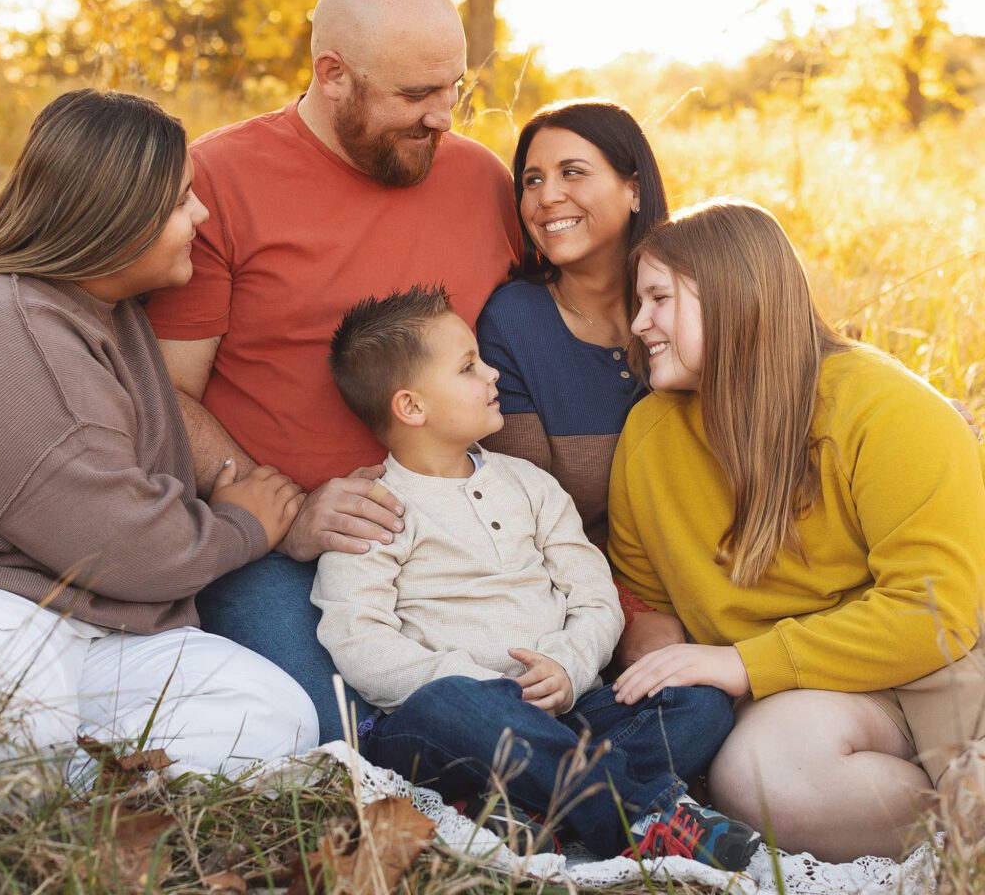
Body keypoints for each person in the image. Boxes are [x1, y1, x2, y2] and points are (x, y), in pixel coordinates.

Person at [145, 0, 519, 741]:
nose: (443, 116)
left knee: (526, 705)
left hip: (455, 538)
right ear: (333, 74)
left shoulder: (482, 181)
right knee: (333, 740)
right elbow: (163, 393)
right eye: (415, 95)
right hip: (280, 551)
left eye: (455, 88)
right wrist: (287, 515)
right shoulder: (218, 179)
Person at [310, 284, 761, 869]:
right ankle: (647, 814)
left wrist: (571, 667)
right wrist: (482, 687)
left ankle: (522, 811)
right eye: (470, 366)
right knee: (453, 704)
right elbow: (358, 640)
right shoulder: (372, 508)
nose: (494, 373)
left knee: (697, 701)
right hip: (452, 727)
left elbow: (595, 595)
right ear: (411, 407)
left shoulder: (529, 484)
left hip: (563, 706)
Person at [607, 197, 985, 862]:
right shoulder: (649, 438)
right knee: (760, 777)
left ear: (731, 295)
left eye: (659, 298)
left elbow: (936, 616)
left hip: (945, 661)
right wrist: (658, 662)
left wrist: (739, 663)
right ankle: (956, 829)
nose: (639, 325)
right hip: (809, 692)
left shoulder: (888, 409)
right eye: (639, 303)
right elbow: (646, 601)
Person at [0, 89, 318, 776]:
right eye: (182, 200)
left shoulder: (104, 313)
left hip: (105, 630)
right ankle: (33, 795)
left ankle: (80, 787)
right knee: (15, 717)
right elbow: (118, 541)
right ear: (117, 211)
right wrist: (240, 526)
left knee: (277, 709)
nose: (202, 216)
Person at [477, 100, 666, 551]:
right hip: (576, 582)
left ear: (634, 189)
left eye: (573, 172)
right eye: (532, 180)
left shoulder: (694, 298)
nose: (547, 197)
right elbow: (530, 524)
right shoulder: (512, 323)